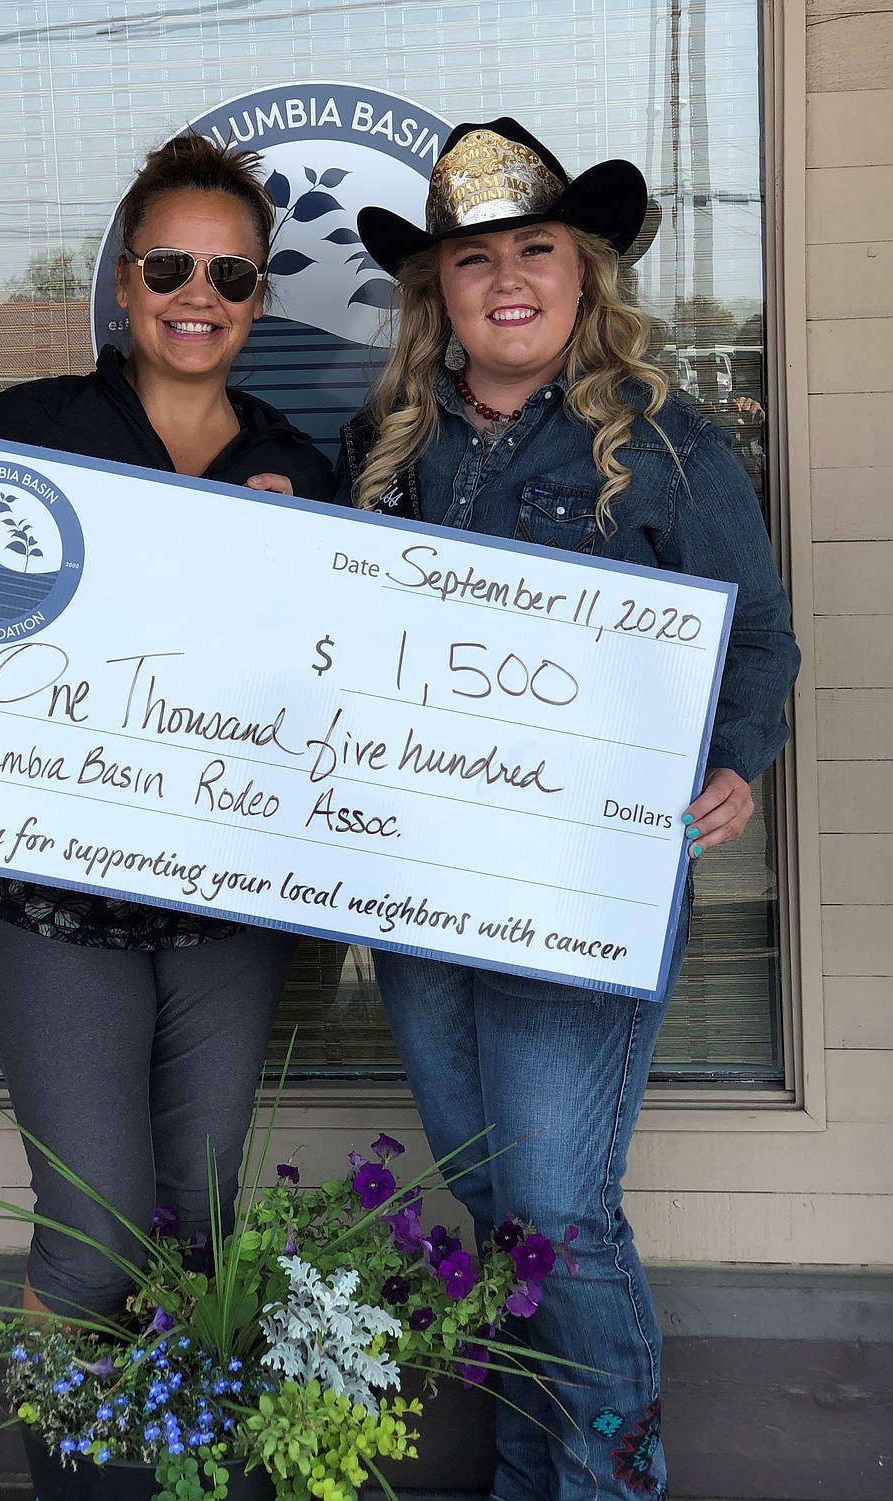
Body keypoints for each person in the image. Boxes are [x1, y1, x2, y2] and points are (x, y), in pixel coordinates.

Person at [339, 118, 800, 1501]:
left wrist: (738, 752)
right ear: (438, 296)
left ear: (584, 273)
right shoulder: (384, 445)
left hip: (576, 889)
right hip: (419, 885)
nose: (507, 281)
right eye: (472, 262)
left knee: (555, 1210)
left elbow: (758, 633)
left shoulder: (659, 441)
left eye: (534, 249)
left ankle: (609, 1488)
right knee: (493, 1211)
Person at [0, 132, 333, 1323]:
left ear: (260, 297)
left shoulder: (296, 466)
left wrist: (303, 562)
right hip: (50, 892)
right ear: (124, 281)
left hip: (224, 896)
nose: (199, 297)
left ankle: (173, 1459)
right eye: (171, 268)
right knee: (93, 1227)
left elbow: (335, 699)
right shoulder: (27, 427)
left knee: (197, 1215)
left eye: (230, 276)